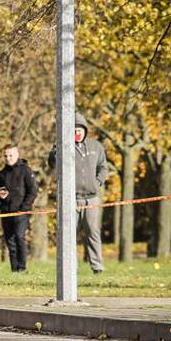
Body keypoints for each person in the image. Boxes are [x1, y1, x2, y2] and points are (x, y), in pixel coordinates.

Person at [48, 112, 110, 274]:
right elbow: (52, 164)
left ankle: (97, 267)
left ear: (85, 130)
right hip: (71, 199)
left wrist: (97, 183)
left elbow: (104, 167)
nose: (77, 133)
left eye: (80, 130)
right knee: (68, 235)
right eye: (74, 130)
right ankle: (70, 269)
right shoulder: (63, 146)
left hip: (92, 199)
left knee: (93, 233)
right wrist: (56, 149)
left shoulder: (96, 146)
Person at [0, 144, 38, 272]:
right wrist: (0, 196)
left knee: (19, 237)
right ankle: (14, 269)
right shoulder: (1, 174)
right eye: (6, 156)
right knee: (10, 242)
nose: (8, 158)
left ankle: (22, 268)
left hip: (22, 212)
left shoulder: (26, 171)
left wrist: (24, 208)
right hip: (6, 212)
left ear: (17, 155)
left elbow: (33, 192)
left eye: (11, 155)